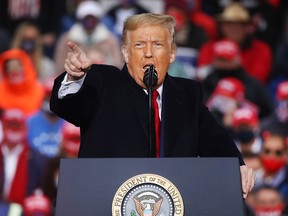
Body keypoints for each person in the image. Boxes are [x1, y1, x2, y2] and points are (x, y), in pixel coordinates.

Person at [50, 13, 255, 198]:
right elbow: (68, 107)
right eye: (139, 45)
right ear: (126, 53)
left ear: (172, 53)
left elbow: (215, 139)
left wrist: (237, 166)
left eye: (157, 44)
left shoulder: (188, 94)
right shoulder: (103, 81)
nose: (148, 53)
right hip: (104, 202)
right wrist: (75, 77)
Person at [0, 49, 44, 116]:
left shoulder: (40, 90)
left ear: (27, 66)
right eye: (9, 66)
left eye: (19, 65)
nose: (14, 69)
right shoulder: (1, 89)